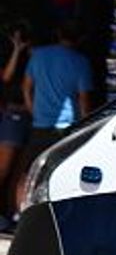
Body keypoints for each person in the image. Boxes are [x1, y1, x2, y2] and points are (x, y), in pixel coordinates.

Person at [19, 19, 93, 212]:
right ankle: (48, 216)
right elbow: (84, 100)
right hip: (66, 128)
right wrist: (87, 127)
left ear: (59, 33)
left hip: (40, 124)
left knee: (28, 173)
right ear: (81, 39)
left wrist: (32, 110)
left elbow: (26, 87)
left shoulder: (39, 55)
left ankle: (20, 216)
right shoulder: (81, 62)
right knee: (58, 174)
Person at [0, 23, 31, 233]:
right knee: (6, 170)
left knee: (15, 171)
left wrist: (17, 51)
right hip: (13, 118)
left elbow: (5, 78)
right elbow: (6, 78)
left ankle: (10, 214)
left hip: (15, 118)